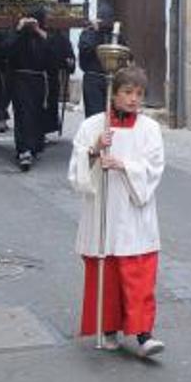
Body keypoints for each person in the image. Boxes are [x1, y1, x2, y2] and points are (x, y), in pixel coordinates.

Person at [69, 65, 166, 357]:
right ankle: (108, 328)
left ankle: (143, 335)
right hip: (103, 212)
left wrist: (125, 165)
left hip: (134, 212)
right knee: (107, 273)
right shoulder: (93, 126)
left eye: (139, 93)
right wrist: (95, 150)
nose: (134, 99)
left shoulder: (150, 129)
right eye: (127, 92)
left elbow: (154, 168)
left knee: (138, 275)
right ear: (114, 94)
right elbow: (76, 174)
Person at [3, 9, 56, 171]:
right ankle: (23, 150)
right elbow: (5, 49)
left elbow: (55, 55)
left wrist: (39, 31)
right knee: (23, 114)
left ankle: (33, 146)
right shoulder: (17, 35)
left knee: (36, 114)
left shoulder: (43, 36)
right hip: (20, 80)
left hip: (39, 80)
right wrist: (19, 30)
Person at [78, 3, 123, 119]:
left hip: (111, 79)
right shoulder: (88, 33)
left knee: (112, 115)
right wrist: (96, 32)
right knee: (95, 115)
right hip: (93, 79)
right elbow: (86, 50)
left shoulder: (116, 35)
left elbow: (124, 53)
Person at [44, 22, 76, 141]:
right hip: (38, 76)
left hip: (52, 75)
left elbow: (68, 55)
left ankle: (46, 129)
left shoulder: (61, 38)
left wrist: (69, 62)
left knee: (51, 102)